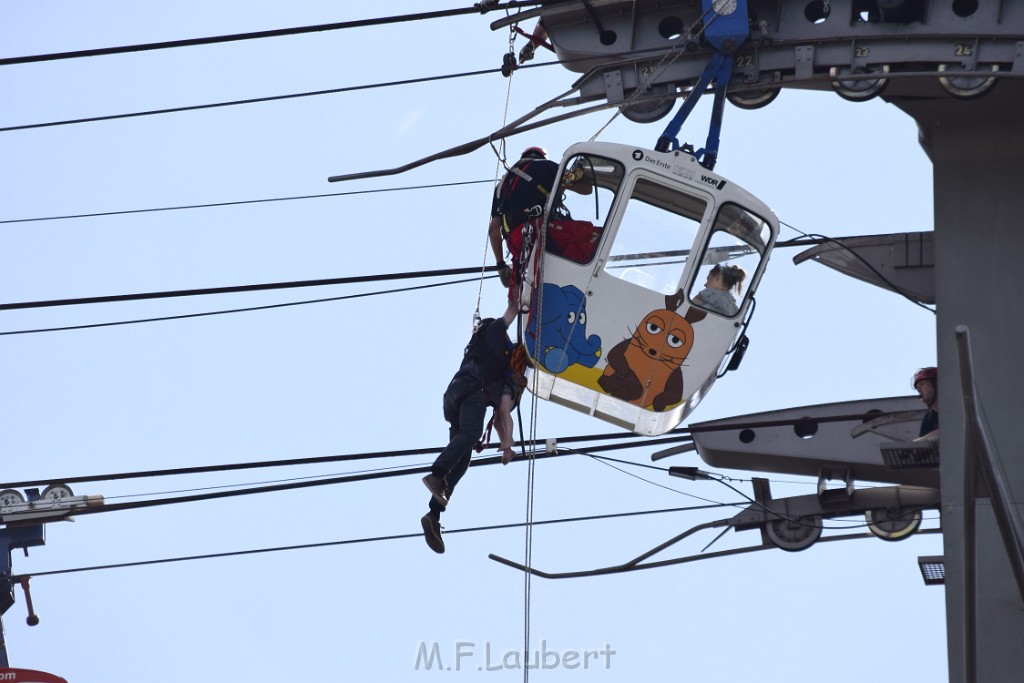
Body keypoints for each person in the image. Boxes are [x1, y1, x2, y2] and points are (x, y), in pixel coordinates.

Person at [420, 302, 527, 554]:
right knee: (470, 434)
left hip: (453, 397)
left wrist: (506, 445)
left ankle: (433, 515)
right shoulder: (491, 333)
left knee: (463, 456)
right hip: (471, 390)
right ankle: (437, 474)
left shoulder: (488, 360)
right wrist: (521, 303)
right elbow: (509, 314)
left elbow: (501, 414)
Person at [912, 366, 939, 441]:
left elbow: (952, 430)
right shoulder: (929, 418)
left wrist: (922, 440)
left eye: (922, 384)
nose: (919, 389)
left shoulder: (954, 407)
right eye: (917, 388)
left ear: (936, 384)